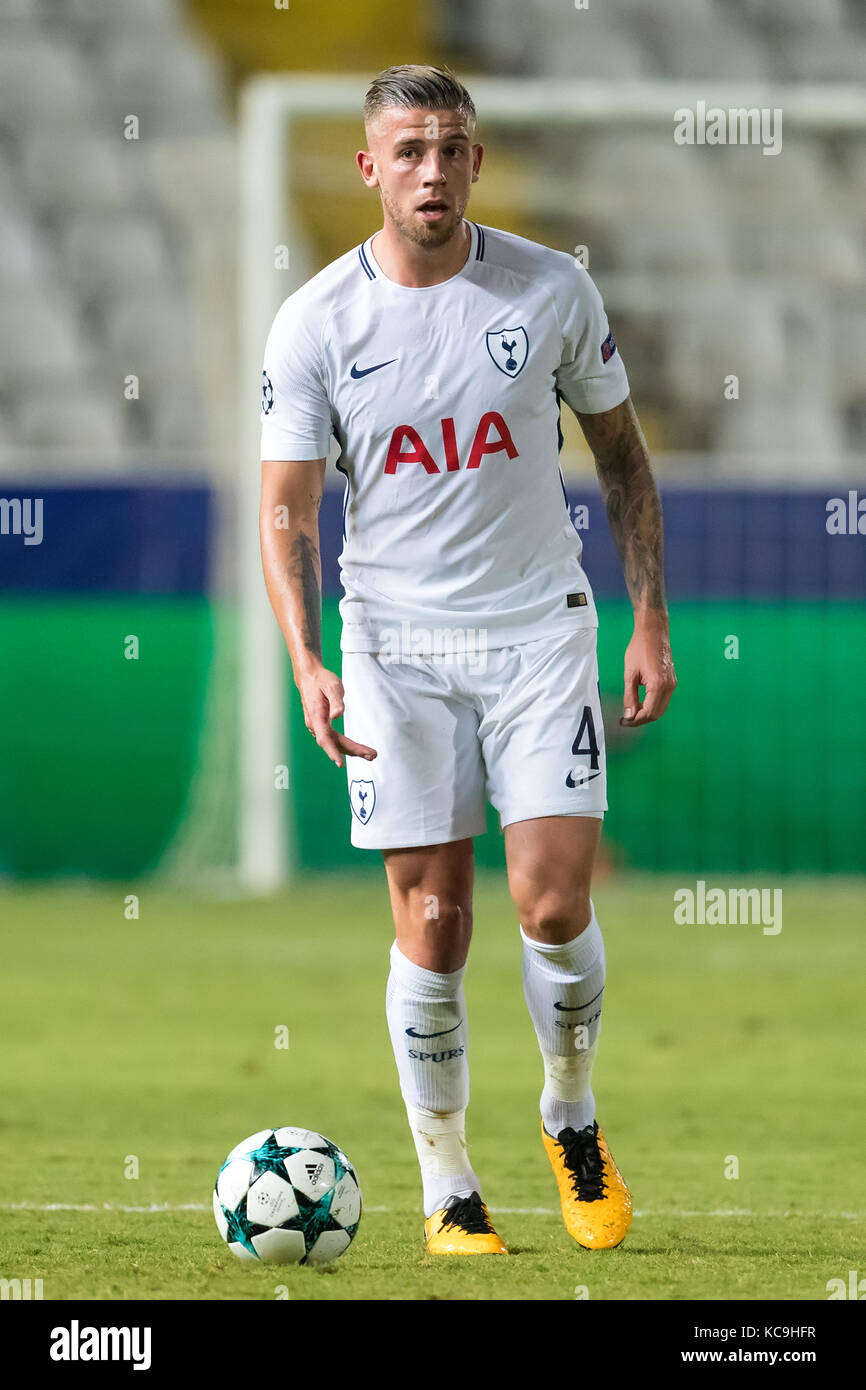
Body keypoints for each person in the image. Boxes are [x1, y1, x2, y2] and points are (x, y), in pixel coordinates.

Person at [260, 64, 676, 1255]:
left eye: (450, 147)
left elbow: (624, 462)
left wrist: (646, 621)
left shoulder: (549, 290)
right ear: (369, 169)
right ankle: (446, 1183)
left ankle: (570, 1116)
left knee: (552, 902)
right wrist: (306, 660)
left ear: (476, 161)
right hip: (394, 649)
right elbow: (285, 509)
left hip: (541, 630)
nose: (431, 169)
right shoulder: (316, 325)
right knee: (434, 926)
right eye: (407, 150)